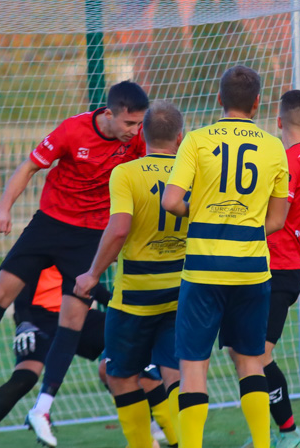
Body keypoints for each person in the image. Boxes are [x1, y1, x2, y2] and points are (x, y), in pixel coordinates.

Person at [0, 82, 148, 448]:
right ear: (110, 113)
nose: (135, 131)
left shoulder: (137, 143)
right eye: (130, 123)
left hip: (89, 237)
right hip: (49, 225)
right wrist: (3, 207)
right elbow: (29, 167)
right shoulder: (72, 130)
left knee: (72, 321)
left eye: (139, 124)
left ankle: (42, 408)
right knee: (0, 294)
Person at [162, 66, 290, 448]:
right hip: (251, 270)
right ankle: (263, 444)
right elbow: (278, 219)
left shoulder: (198, 141)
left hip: (203, 270)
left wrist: (201, 215)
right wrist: (246, 228)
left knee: (192, 366)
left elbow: (170, 201)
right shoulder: (273, 146)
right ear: (257, 103)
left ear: (219, 100)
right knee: (251, 360)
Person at [74, 101, 188, 448]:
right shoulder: (192, 174)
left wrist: (93, 273)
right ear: (180, 138)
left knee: (119, 374)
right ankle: (186, 439)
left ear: (142, 132)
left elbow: (119, 229)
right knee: (177, 374)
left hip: (136, 295)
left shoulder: (125, 173)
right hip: (182, 289)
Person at [239, 90, 300, 448]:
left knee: (256, 356)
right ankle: (270, 433)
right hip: (280, 263)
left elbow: (276, 216)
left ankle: (287, 434)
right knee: (245, 353)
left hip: (278, 265)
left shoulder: (287, 162)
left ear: (277, 120)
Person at [0, 265, 109, 429]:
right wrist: (24, 322)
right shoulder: (39, 243)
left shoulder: (81, 244)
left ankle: (149, 421)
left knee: (124, 348)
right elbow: (22, 283)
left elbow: (87, 282)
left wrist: (117, 303)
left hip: (74, 315)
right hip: (40, 320)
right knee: (24, 378)